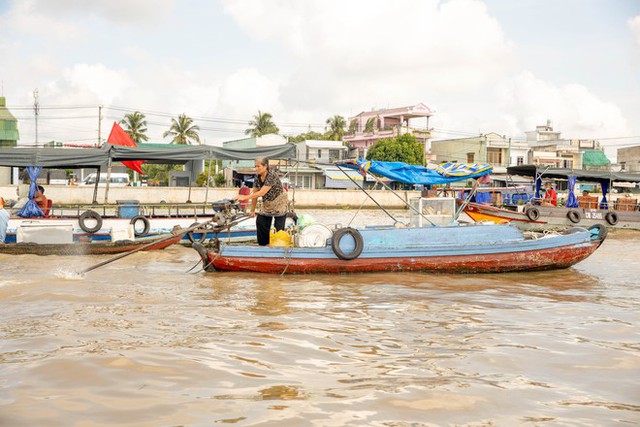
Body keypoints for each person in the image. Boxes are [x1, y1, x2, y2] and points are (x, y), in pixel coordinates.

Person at [234, 157, 289, 246]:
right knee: (261, 221)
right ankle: (264, 245)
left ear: (265, 166)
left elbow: (262, 192)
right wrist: (252, 210)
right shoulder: (257, 177)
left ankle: (278, 247)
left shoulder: (272, 175)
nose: (256, 169)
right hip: (267, 203)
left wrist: (244, 197)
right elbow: (255, 194)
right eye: (255, 166)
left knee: (279, 229)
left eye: (258, 166)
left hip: (279, 202)